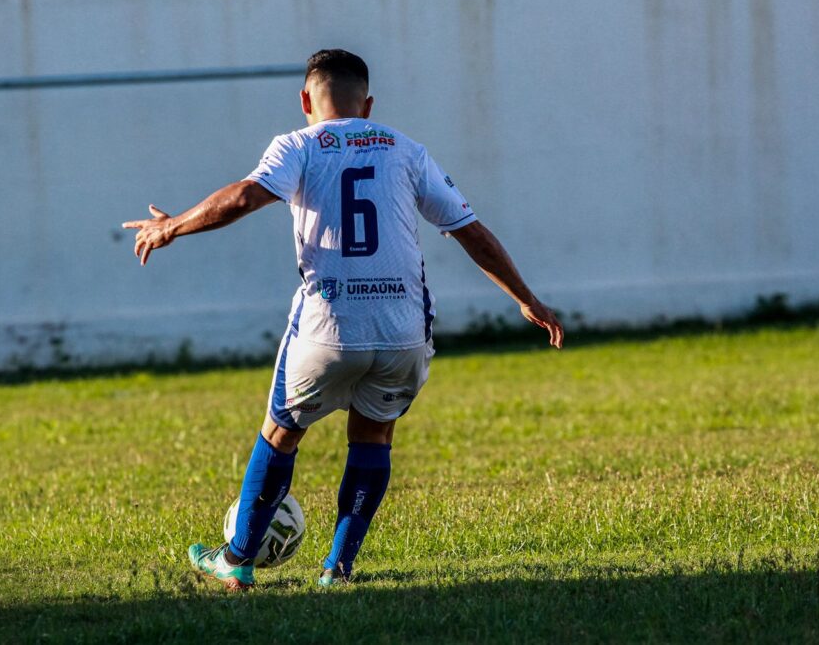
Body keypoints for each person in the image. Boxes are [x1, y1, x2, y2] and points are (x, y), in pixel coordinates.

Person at [122, 48, 563, 591]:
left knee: (281, 433)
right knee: (374, 435)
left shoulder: (298, 145)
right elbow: (470, 231)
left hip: (327, 328)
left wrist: (173, 227)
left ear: (306, 99)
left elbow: (241, 197)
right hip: (402, 330)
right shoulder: (406, 150)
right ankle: (338, 568)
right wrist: (526, 298)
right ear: (368, 104)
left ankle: (238, 560)